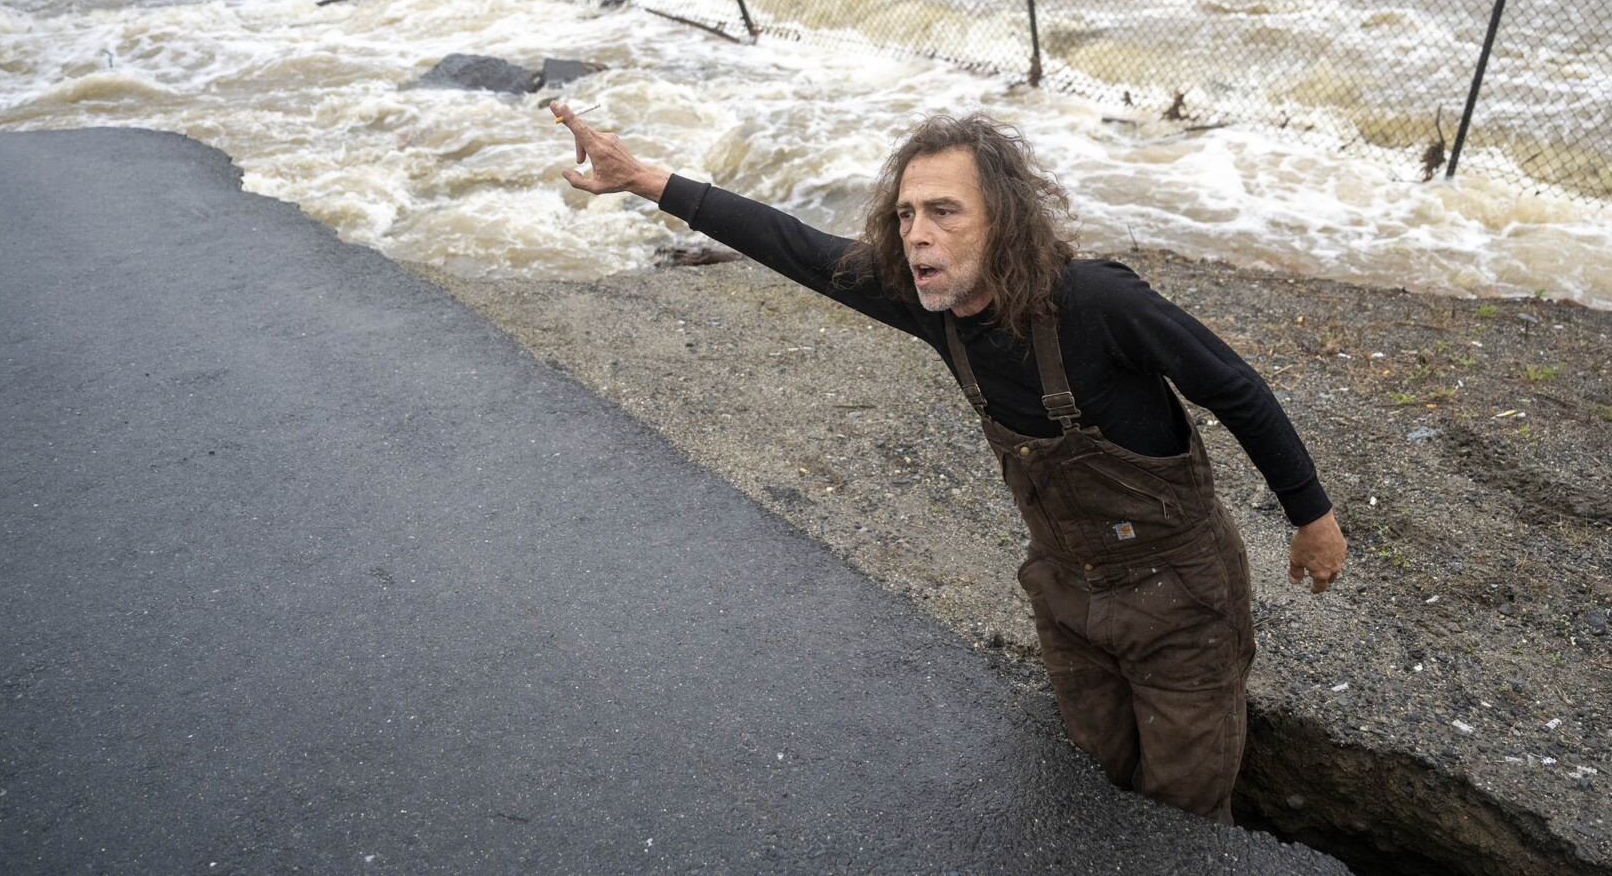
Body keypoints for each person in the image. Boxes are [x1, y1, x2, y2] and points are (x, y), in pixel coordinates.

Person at [550, 105, 1346, 825]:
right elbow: (793, 244)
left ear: (1000, 220)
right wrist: (643, 178)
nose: (916, 233)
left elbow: (1235, 387)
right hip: (1068, 597)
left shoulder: (1098, 301)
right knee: (1093, 789)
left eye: (942, 211)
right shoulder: (929, 307)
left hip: (1181, 607)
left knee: (1182, 818)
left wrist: (1312, 517)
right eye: (904, 214)